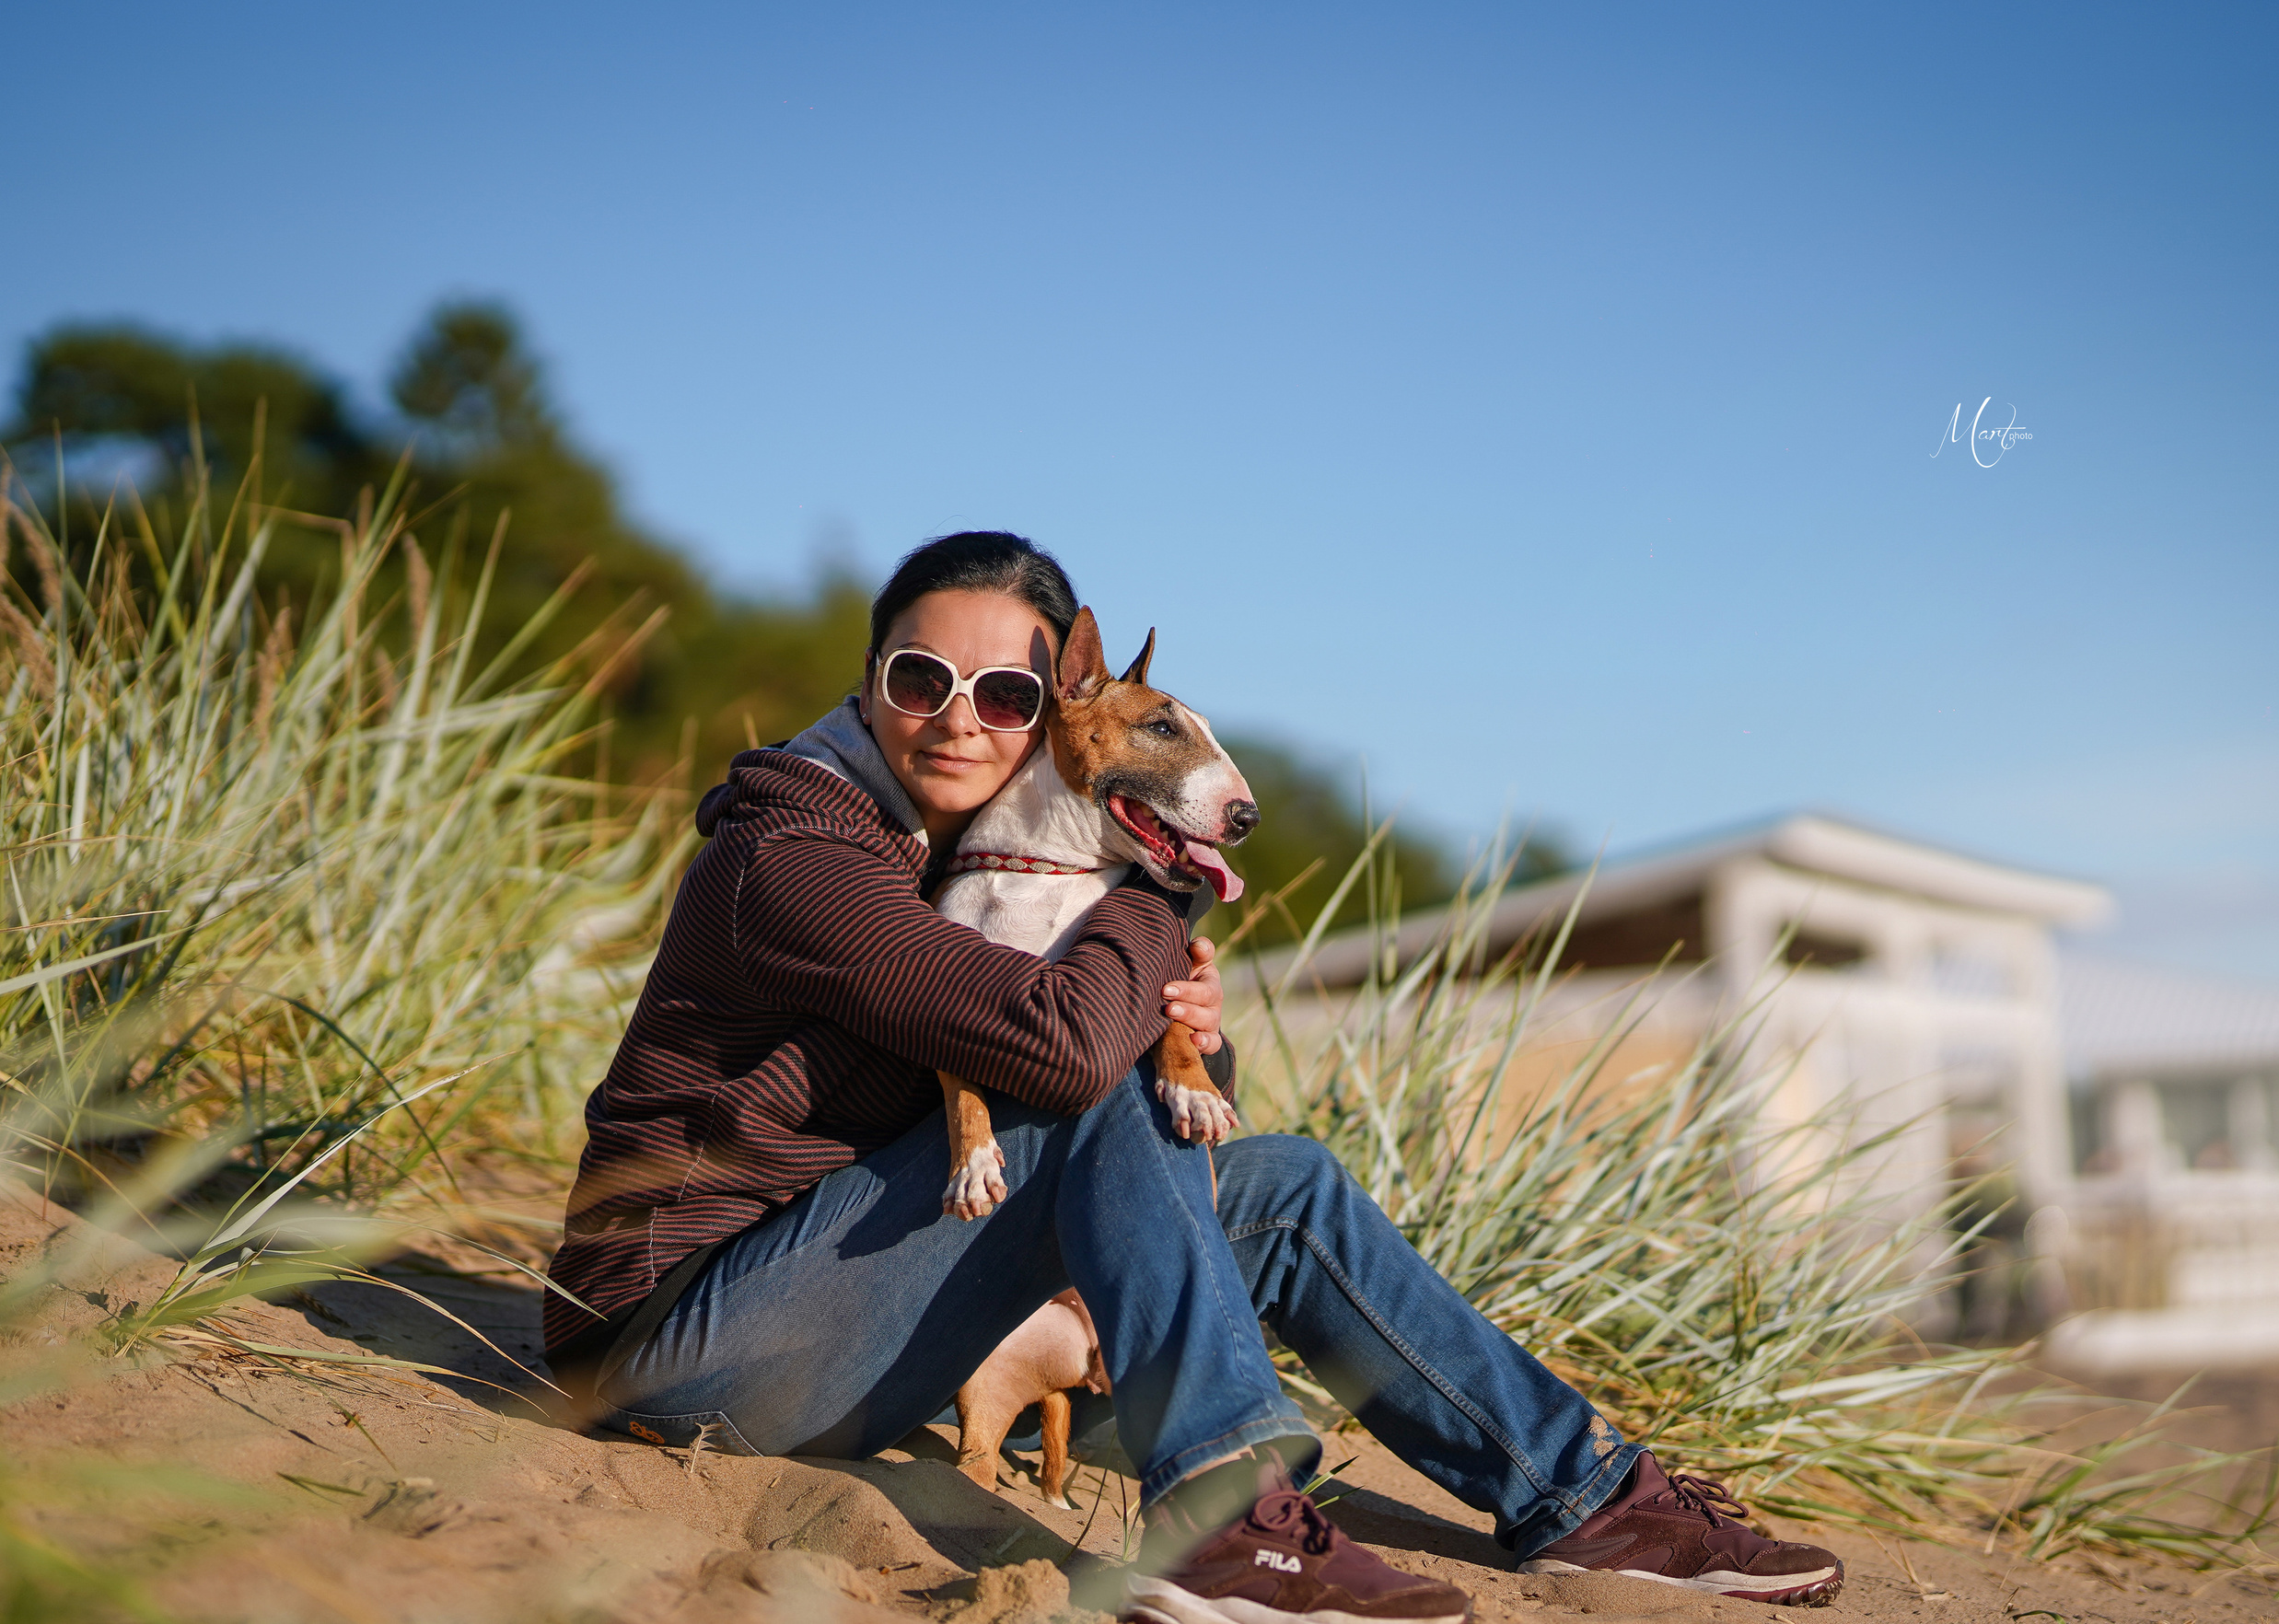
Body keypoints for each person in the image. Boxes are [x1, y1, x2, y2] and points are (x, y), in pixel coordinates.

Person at [543, 531, 1846, 1622]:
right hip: (674, 1348)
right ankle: (1225, 1522)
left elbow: (1153, 1082)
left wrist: (1179, 1006)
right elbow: (1056, 1049)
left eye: (1005, 695)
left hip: (846, 1302)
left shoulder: (950, 860)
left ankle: (1583, 1497)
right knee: (1076, 1080)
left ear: (1056, 709)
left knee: (1284, 1188)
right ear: (871, 679)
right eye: (921, 675)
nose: (958, 716)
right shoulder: (800, 857)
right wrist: (1160, 887)